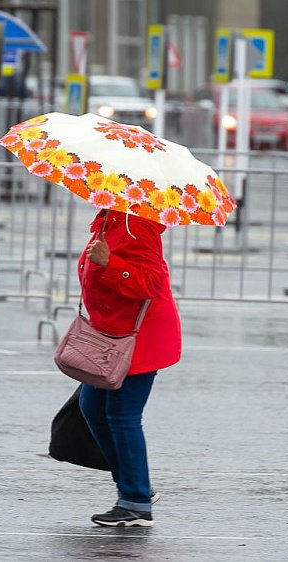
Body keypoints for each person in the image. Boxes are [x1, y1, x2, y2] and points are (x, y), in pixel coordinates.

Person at [77, 209, 182, 527]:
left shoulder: (137, 226)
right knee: (91, 406)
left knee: (122, 416)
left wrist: (111, 264)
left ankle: (135, 501)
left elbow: (151, 283)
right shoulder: (110, 219)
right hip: (111, 336)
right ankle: (136, 483)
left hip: (139, 340)